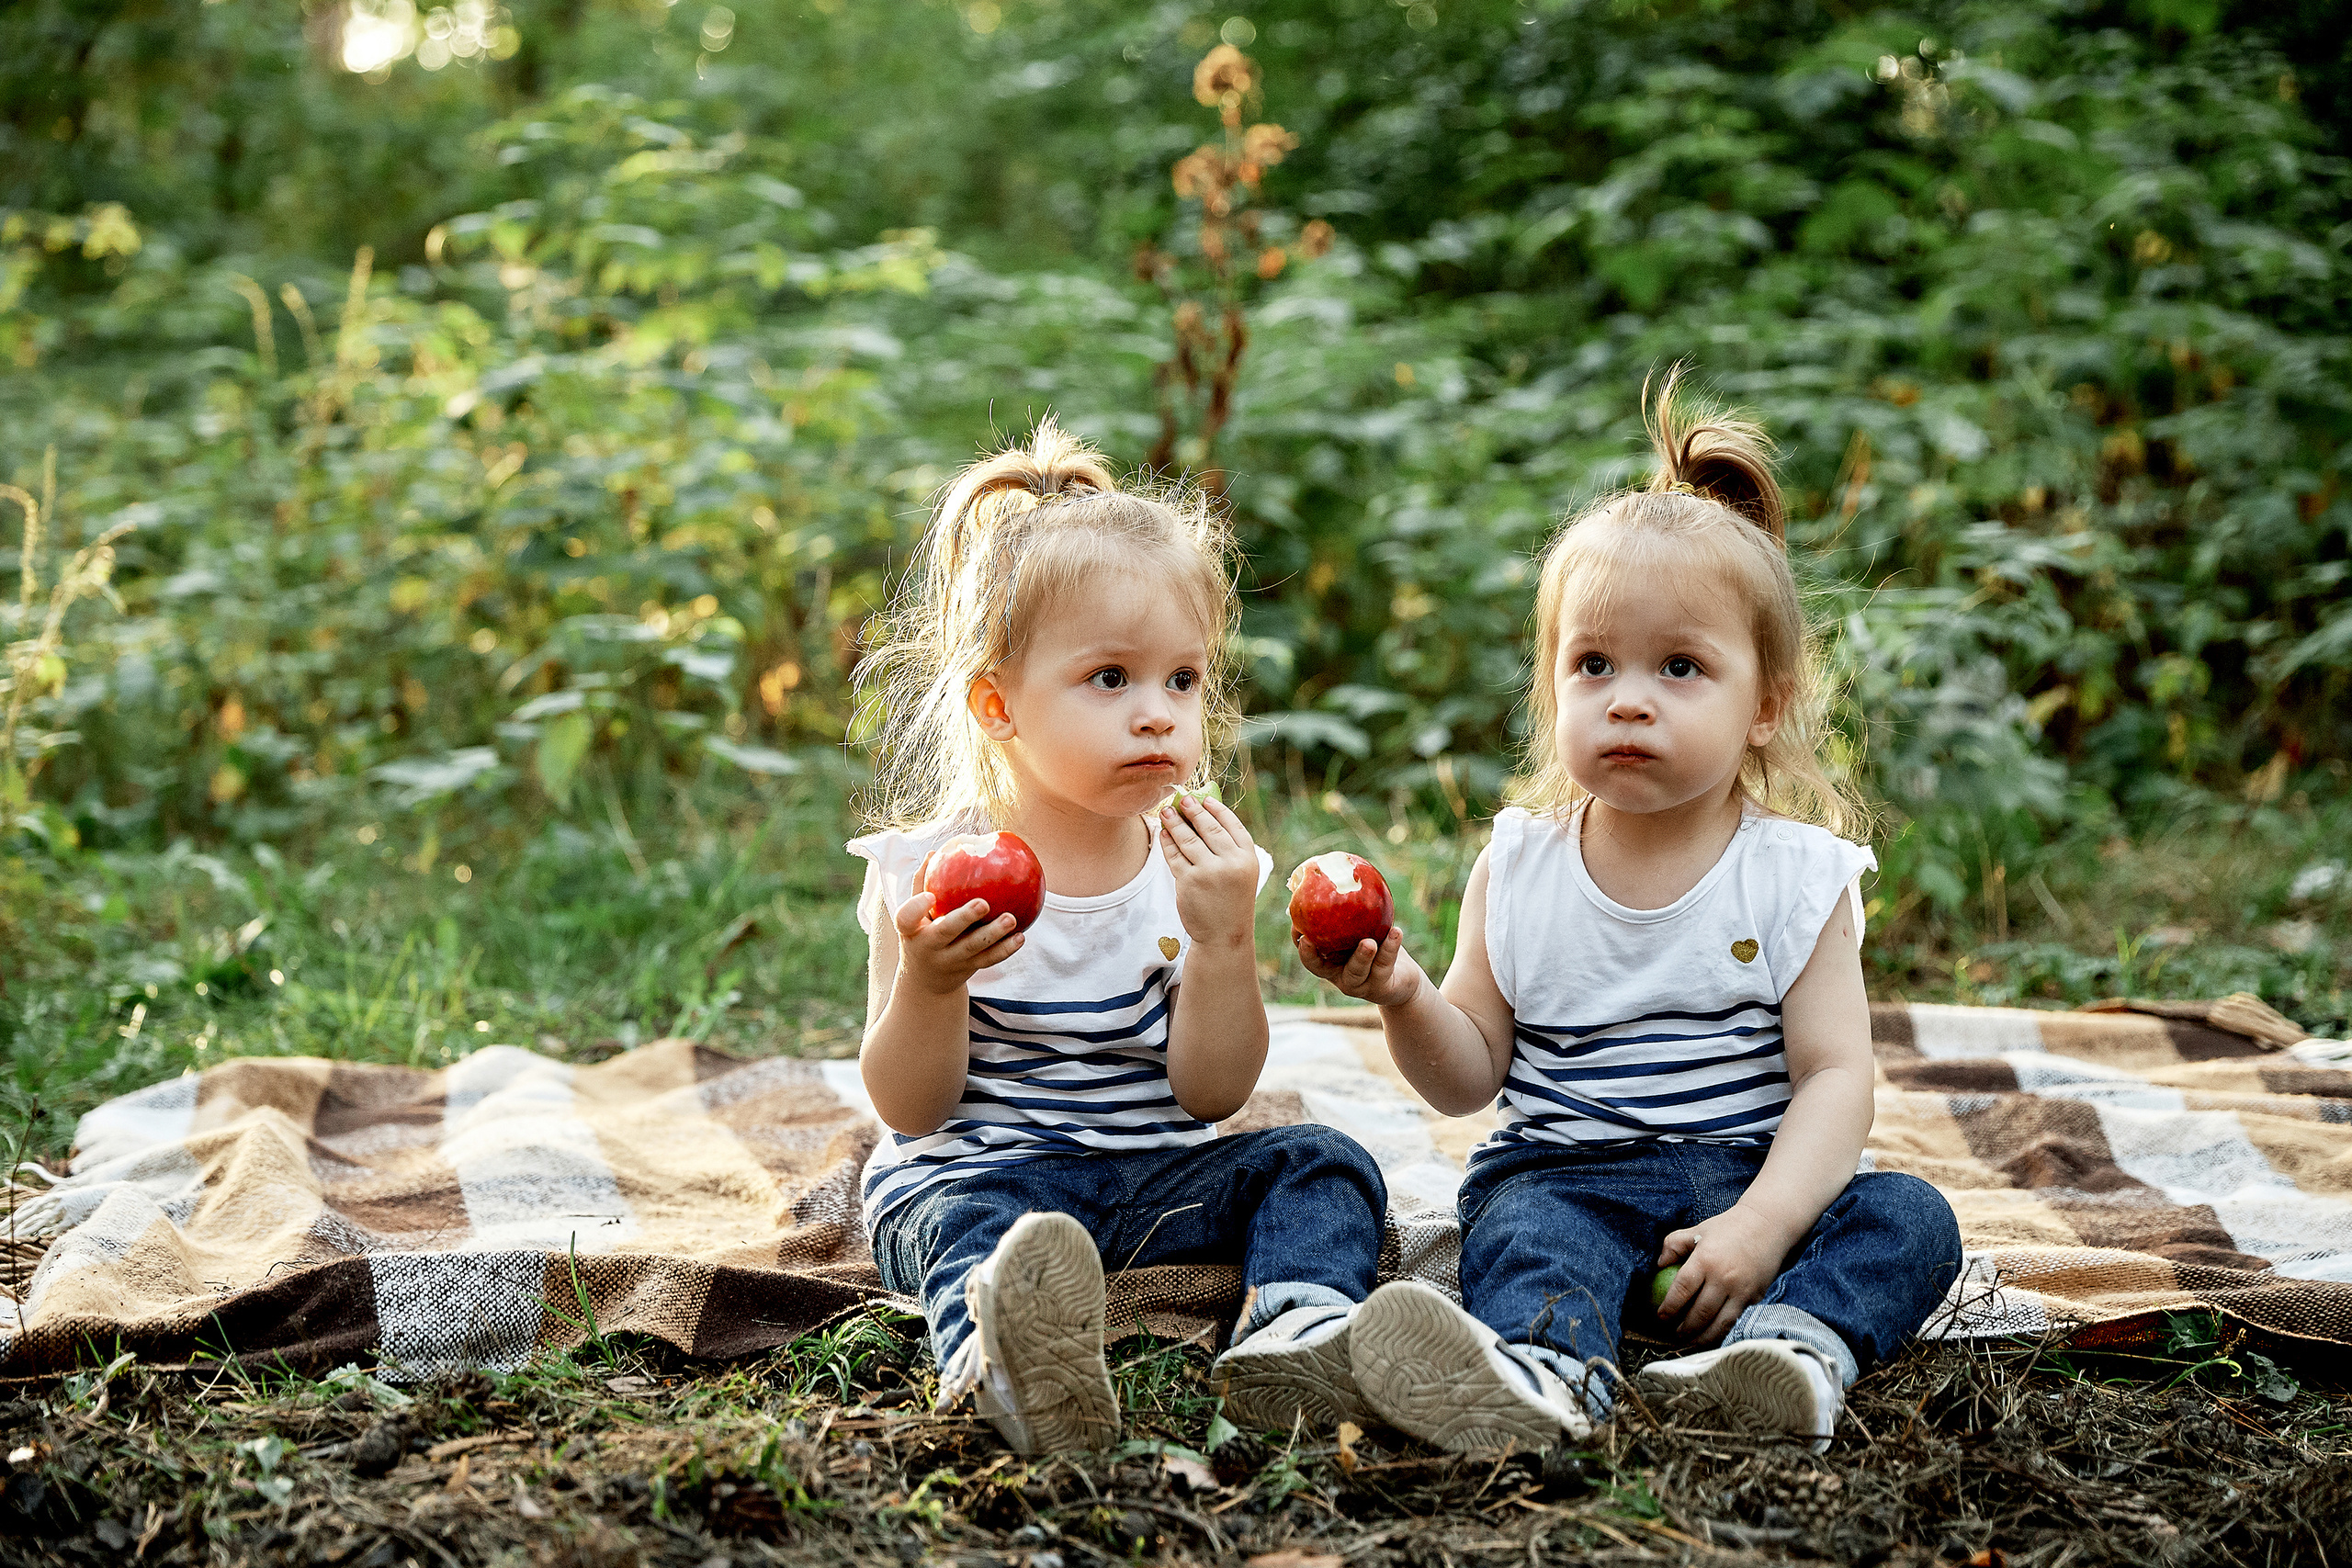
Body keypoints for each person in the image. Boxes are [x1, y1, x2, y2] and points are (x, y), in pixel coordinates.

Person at [1301, 371, 1962, 1452]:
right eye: (1593, 663)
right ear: (1551, 686)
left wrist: (1763, 1228)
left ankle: (1785, 1352)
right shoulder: (1518, 869)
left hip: (1750, 1182)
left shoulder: (1795, 879)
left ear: (1767, 705)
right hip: (1569, 1179)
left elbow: (1836, 1079)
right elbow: (1468, 1079)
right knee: (1520, 1231)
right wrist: (1403, 994)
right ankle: (1550, 1379)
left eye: (1680, 667)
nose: (1629, 696)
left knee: (1910, 1221)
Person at [850, 419, 1387, 1453]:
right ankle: (1005, 1365)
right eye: (1111, 680)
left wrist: (1224, 945)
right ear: (996, 705)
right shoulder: (928, 871)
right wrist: (929, 983)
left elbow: (1213, 1096)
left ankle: (1294, 1336)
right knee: (975, 1230)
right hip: (979, 1178)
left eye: (1181, 681)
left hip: (1151, 1180)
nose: (1157, 716)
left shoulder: (1193, 868)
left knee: (1321, 1162)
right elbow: (909, 1107)